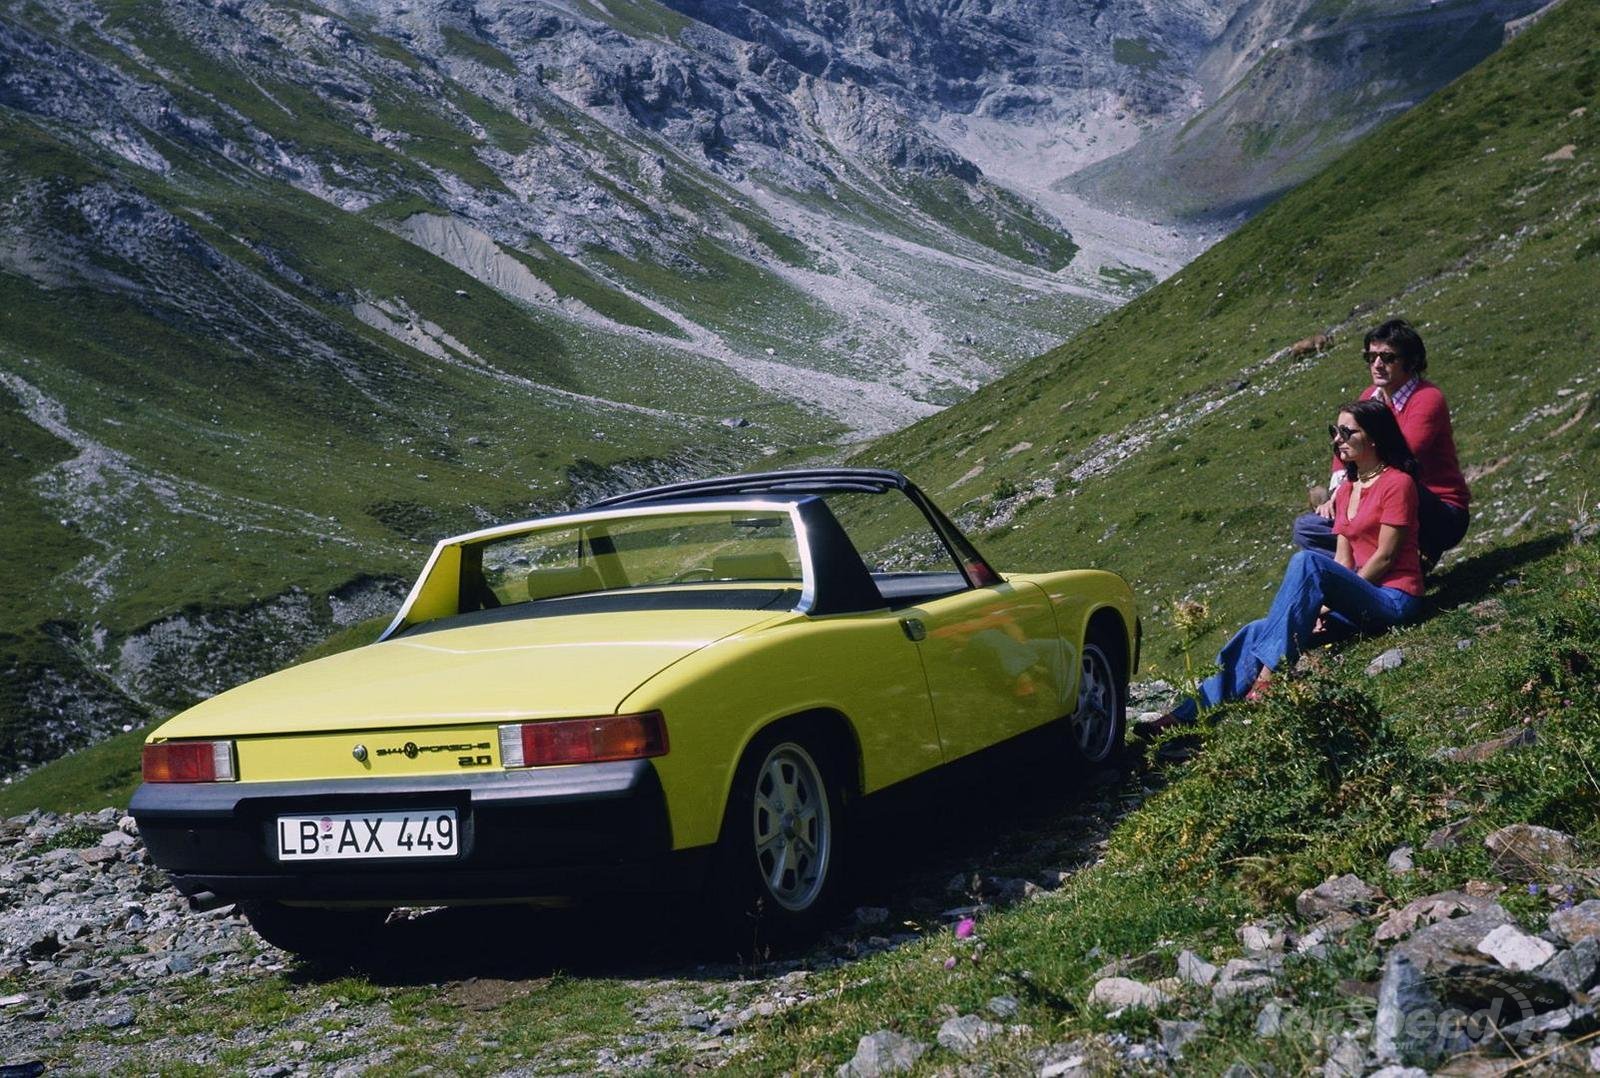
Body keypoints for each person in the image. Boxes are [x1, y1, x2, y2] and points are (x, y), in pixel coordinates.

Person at [1140, 400, 1425, 735]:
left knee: (1306, 561)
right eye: (1335, 431)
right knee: (1255, 631)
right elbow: (1343, 561)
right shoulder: (1348, 488)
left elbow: (1386, 557)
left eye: (1348, 432)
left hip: (1394, 598)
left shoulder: (1397, 483)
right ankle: (1188, 715)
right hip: (1359, 600)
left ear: (1374, 438)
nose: (1338, 439)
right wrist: (1319, 607)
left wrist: (1332, 600)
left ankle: (1269, 678)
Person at [1292, 319, 1469, 571]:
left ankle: (1387, 566)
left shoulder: (1426, 399)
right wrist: (1337, 496)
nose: (1377, 364)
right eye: (1371, 356)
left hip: (1436, 511)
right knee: (1306, 528)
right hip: (1381, 499)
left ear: (1411, 360)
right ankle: (1382, 567)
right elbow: (1345, 447)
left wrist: (1348, 497)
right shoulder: (1369, 397)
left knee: (1398, 482)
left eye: (1387, 357)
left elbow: (1400, 459)